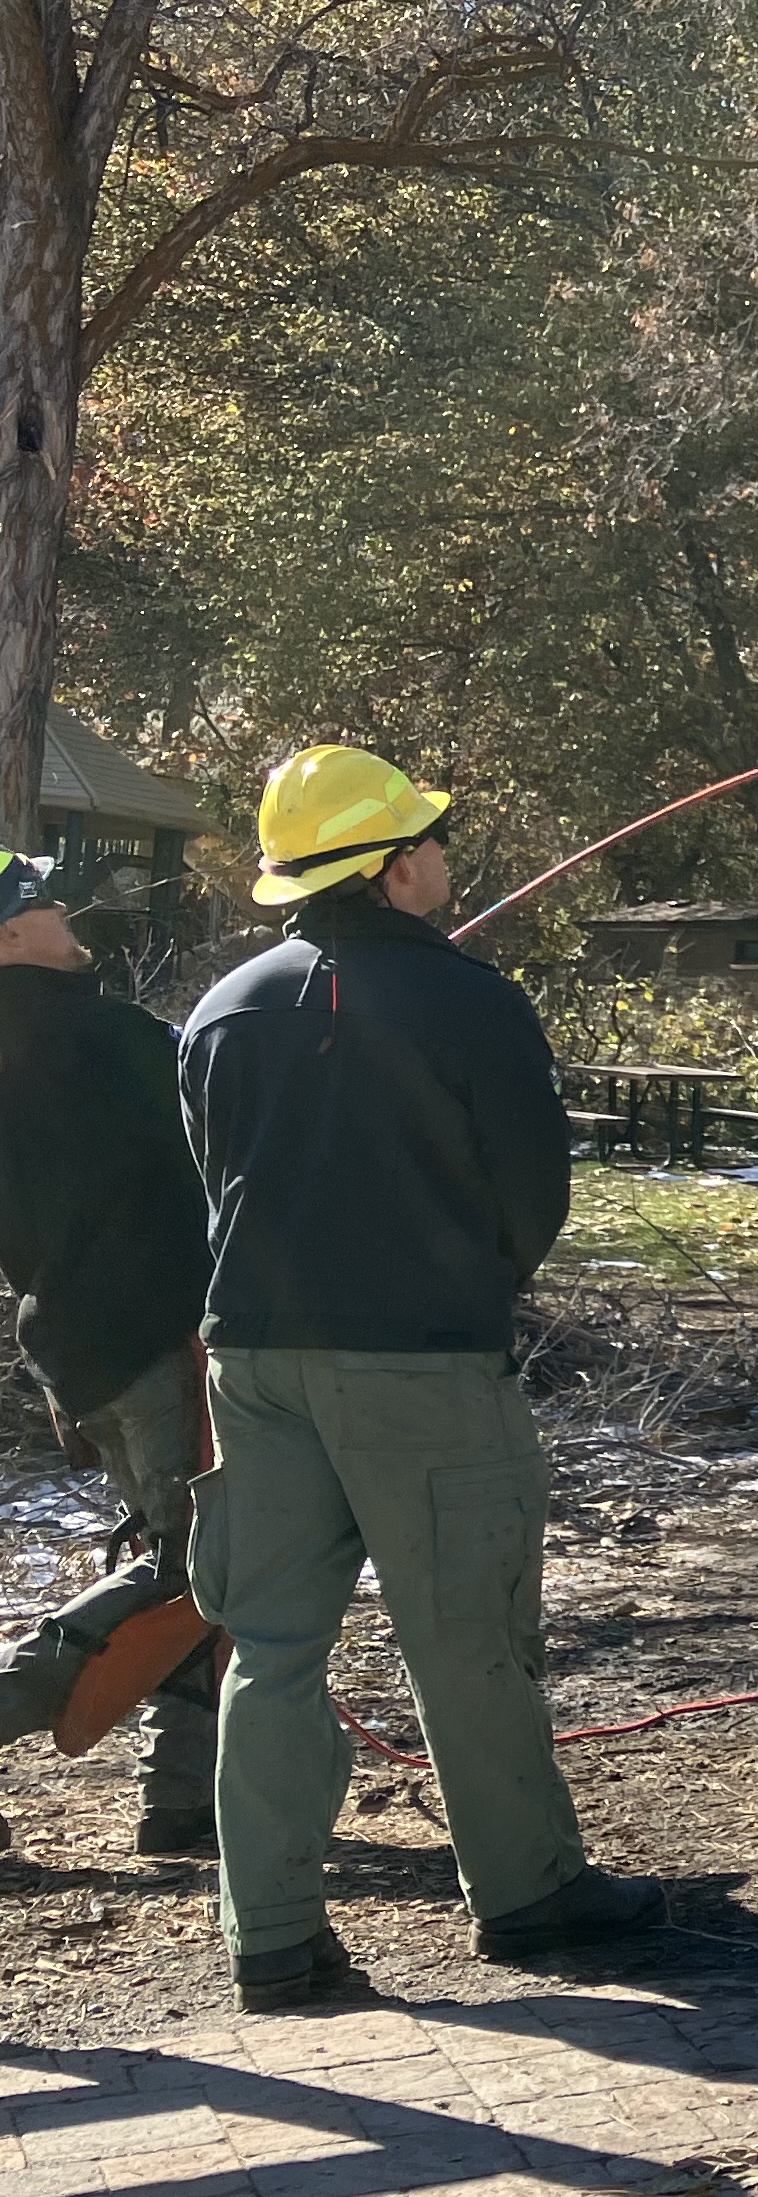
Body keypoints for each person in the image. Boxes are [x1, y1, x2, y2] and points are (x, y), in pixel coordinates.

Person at [180, 746, 661, 2011]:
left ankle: (271, 1935)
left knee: (272, 1646)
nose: (446, 852)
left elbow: (210, 1180)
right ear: (395, 867)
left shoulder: (223, 1007)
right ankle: (529, 1895)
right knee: (467, 1640)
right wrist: (468, 1281)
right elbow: (531, 1198)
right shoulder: (473, 1004)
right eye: (430, 836)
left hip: (251, 1362)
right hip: (422, 1367)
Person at [0, 855, 220, 1857]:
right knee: (200, 1567)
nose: (61, 910)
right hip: (156, 1344)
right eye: (41, 904)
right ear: (8, 938)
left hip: (81, 1352)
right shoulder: (111, 1038)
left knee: (204, 1570)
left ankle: (183, 1797)